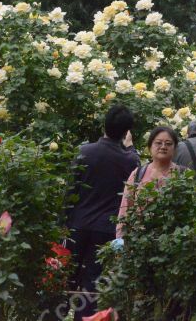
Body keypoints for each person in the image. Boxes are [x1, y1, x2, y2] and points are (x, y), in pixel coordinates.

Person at [65, 105, 139, 321]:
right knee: (92, 287)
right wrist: (131, 148)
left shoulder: (84, 152)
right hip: (106, 230)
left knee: (63, 280)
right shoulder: (130, 160)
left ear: (103, 125)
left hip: (77, 226)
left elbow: (70, 190)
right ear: (127, 132)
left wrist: (65, 221)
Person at [116, 126, 180, 238]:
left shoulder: (183, 174)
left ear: (175, 149)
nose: (163, 147)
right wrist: (121, 238)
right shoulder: (138, 173)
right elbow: (125, 209)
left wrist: (160, 179)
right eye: (158, 143)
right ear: (150, 147)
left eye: (168, 143)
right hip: (140, 241)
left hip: (174, 241)